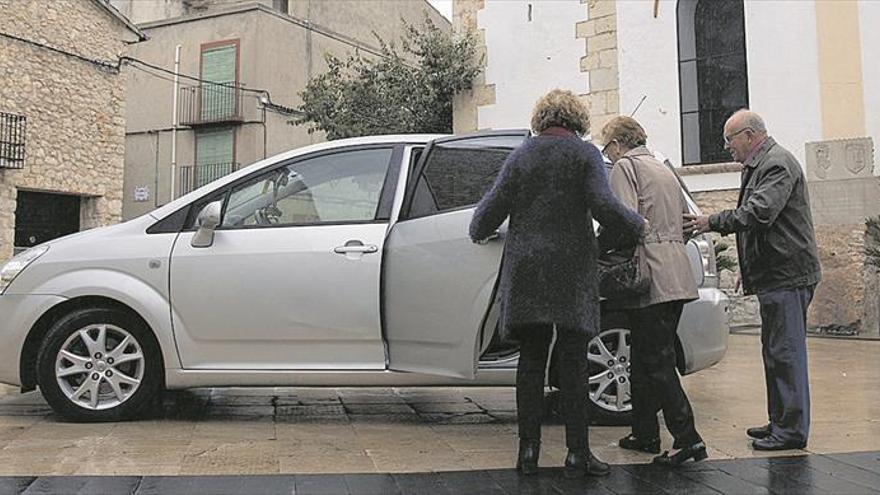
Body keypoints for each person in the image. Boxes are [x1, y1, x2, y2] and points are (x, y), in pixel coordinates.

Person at [469, 89, 645, 478]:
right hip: (571, 271)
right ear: (576, 120)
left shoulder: (521, 156)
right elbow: (603, 204)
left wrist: (481, 232)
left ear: (542, 119)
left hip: (529, 272)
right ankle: (577, 453)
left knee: (531, 361)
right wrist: (636, 225)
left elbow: (485, 216)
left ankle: (527, 453)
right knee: (573, 363)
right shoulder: (583, 154)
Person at [683, 109, 821, 451]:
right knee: (775, 352)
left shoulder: (776, 164)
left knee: (786, 352)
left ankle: (790, 431)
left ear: (749, 135)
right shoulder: (760, 164)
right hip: (776, 275)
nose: (727, 147)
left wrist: (709, 221)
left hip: (787, 275)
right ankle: (781, 421)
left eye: (730, 140)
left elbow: (760, 212)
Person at [599, 116, 706, 467]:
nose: (608, 155)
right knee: (646, 356)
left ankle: (688, 438)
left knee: (657, 360)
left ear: (616, 144)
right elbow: (687, 222)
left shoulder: (624, 168)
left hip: (648, 274)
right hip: (677, 273)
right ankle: (644, 433)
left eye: (607, 148)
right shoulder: (663, 169)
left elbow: (625, 219)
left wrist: (599, 249)